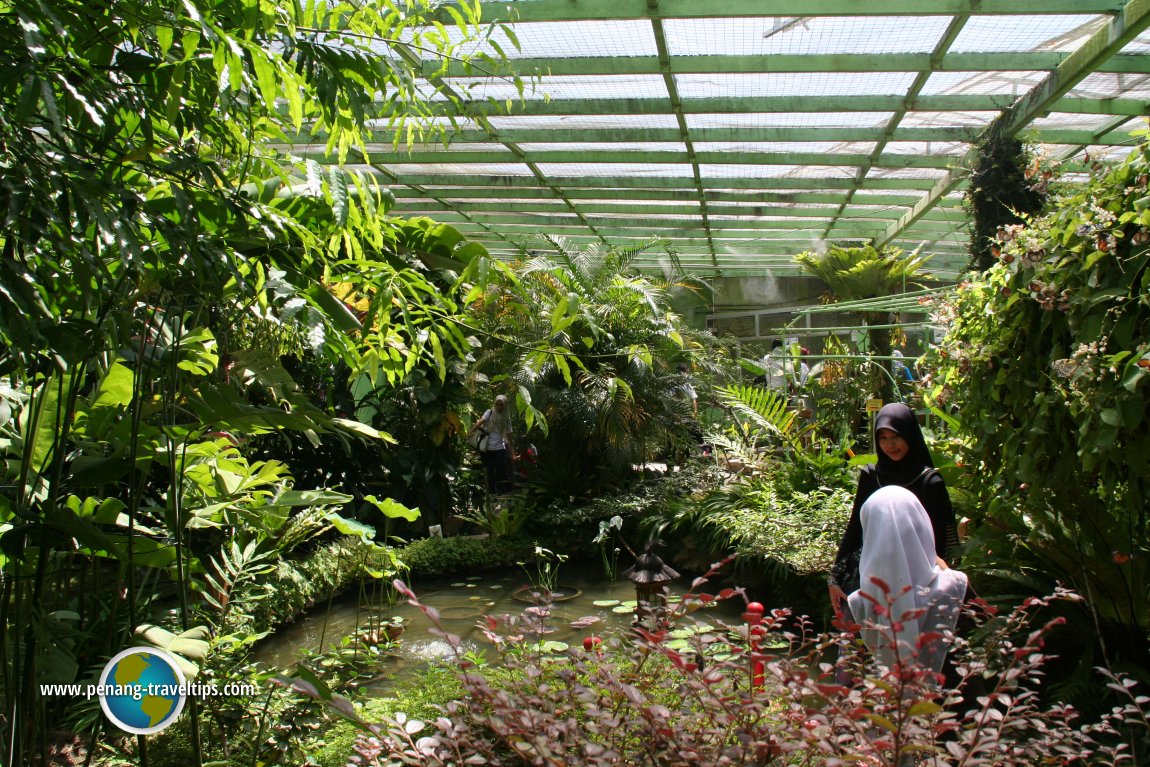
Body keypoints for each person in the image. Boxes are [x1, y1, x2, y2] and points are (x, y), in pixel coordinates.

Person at [828, 402, 960, 616]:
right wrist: (835, 577)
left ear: (909, 434)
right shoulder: (872, 476)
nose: (890, 445)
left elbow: (942, 542)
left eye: (896, 436)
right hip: (873, 576)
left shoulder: (929, 482)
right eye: (883, 438)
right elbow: (856, 527)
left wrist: (942, 584)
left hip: (918, 580)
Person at [847, 485, 968, 674]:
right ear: (922, 525)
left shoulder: (858, 605)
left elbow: (848, 677)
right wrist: (947, 569)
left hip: (885, 701)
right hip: (960, 700)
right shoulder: (955, 589)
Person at [469, 394, 514, 494]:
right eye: (497, 404)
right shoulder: (489, 412)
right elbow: (481, 421)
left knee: (501, 473)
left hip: (499, 448)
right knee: (489, 472)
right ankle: (491, 495)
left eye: (501, 405)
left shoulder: (506, 418)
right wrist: (470, 432)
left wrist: (511, 452)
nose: (499, 407)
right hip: (486, 448)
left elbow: (509, 435)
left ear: (505, 406)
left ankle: (503, 495)